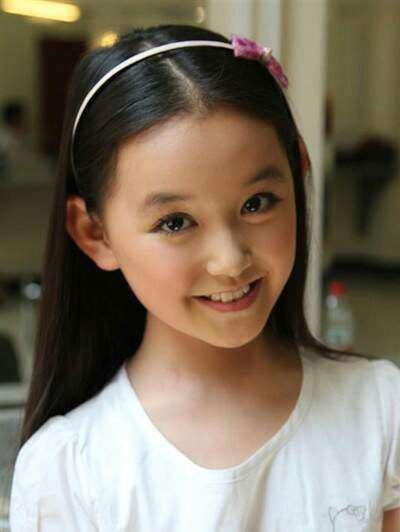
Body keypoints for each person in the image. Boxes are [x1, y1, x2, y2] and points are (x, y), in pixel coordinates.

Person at [8, 24, 400, 531]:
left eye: (257, 203)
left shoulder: (381, 412)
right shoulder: (71, 469)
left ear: (299, 174)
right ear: (94, 233)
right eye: (175, 222)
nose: (229, 261)